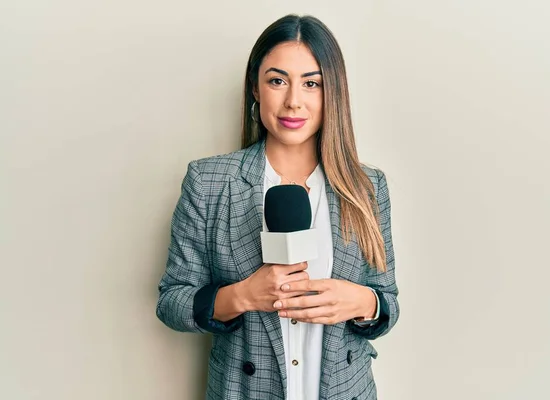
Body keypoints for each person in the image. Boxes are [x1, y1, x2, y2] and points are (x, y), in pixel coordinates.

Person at [156, 14, 399, 400]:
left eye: (311, 83)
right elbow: (172, 302)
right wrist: (242, 296)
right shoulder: (209, 181)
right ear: (256, 87)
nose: (293, 101)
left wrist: (362, 302)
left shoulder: (367, 187)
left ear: (332, 92)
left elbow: (388, 302)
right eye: (277, 80)